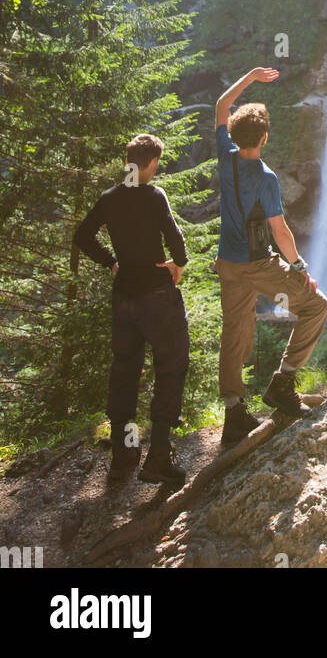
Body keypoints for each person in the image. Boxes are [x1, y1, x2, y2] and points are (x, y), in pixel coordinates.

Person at [214, 67, 327, 445]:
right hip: (259, 266)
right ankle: (283, 381)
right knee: (315, 306)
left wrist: (248, 76)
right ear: (264, 137)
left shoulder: (225, 155)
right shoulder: (266, 177)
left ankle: (234, 412)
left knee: (235, 333)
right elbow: (280, 232)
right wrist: (299, 268)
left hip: (228, 265)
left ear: (232, 133)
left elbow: (220, 104)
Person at [74, 132, 190, 488]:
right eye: (157, 163)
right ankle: (158, 455)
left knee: (125, 371)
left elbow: (83, 235)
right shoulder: (154, 195)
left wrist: (112, 263)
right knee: (171, 365)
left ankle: (124, 453)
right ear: (151, 162)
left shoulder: (110, 197)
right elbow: (175, 239)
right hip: (156, 294)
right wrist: (178, 265)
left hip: (123, 295)